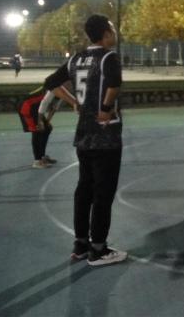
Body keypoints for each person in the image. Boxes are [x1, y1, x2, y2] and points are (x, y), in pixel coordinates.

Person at [42, 14, 127, 266]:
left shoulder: (76, 59)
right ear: (106, 33)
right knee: (103, 193)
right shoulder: (109, 57)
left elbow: (50, 83)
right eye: (112, 28)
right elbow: (115, 83)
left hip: (83, 134)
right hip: (106, 135)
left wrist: (74, 102)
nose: (115, 32)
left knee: (84, 190)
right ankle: (98, 249)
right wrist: (105, 108)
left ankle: (80, 244)